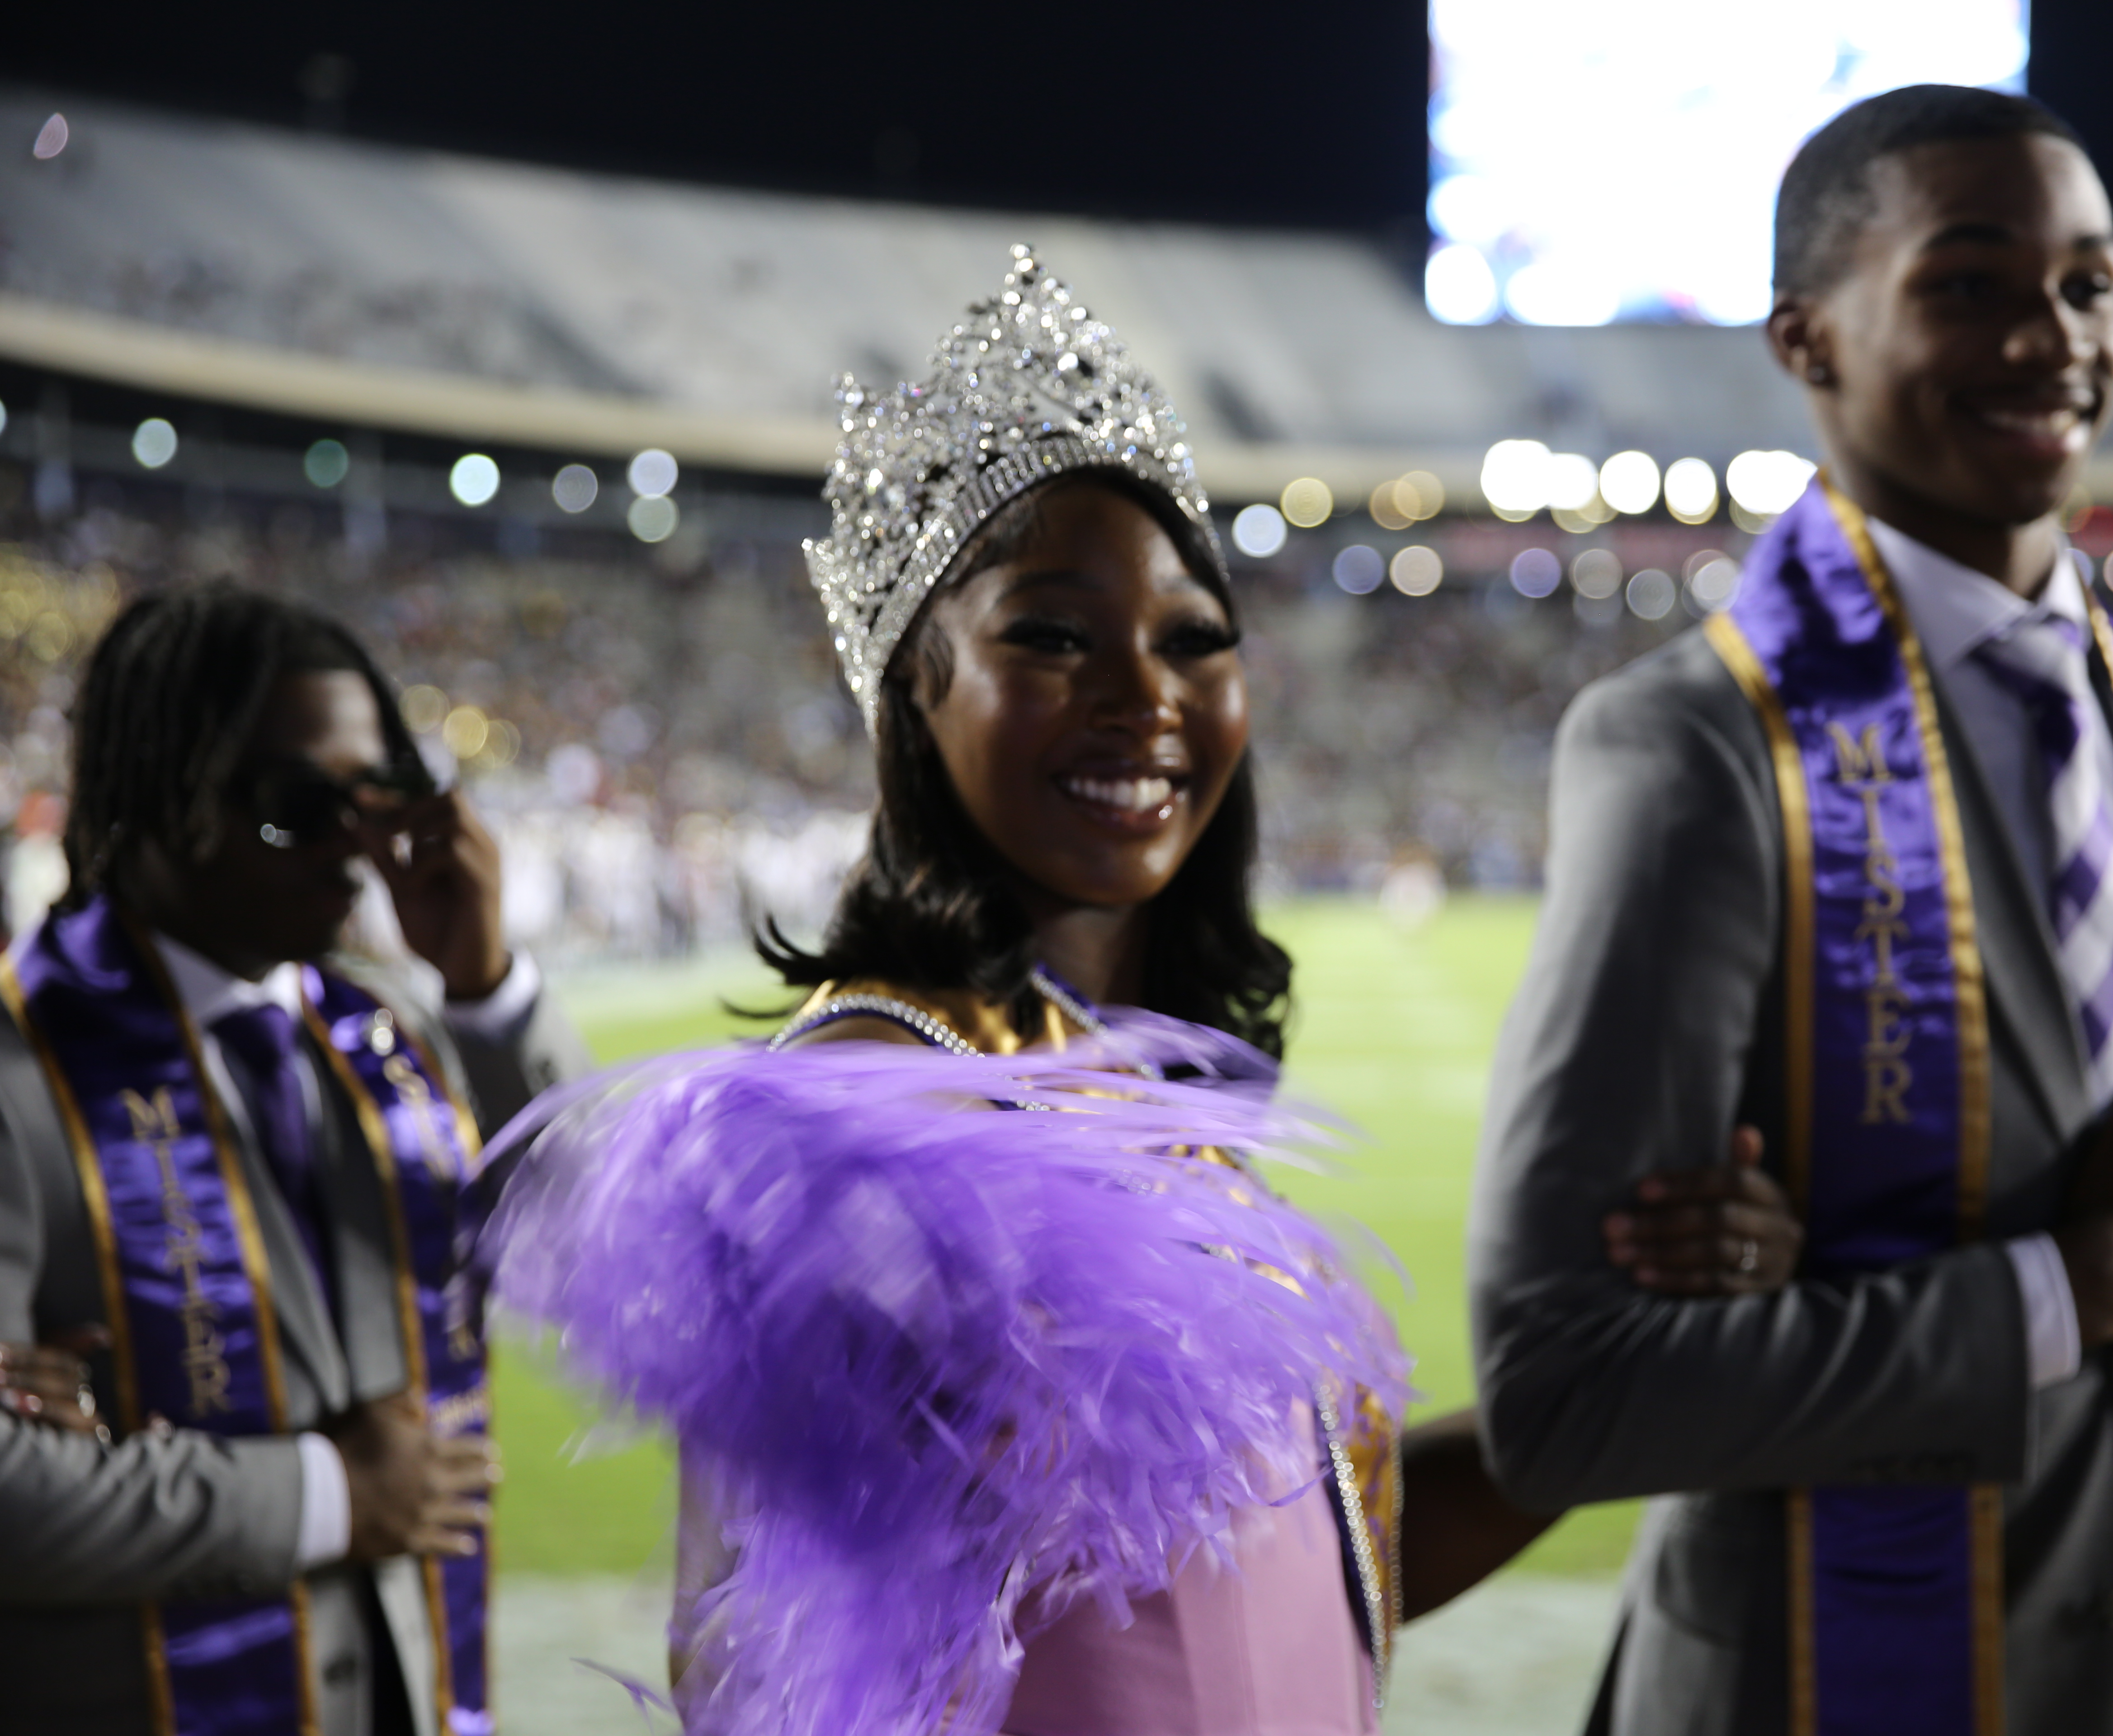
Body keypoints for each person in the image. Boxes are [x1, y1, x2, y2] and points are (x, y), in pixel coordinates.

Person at [480, 248, 1804, 1736]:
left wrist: (1650, 1329)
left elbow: (1334, 1568)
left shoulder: (1132, 1083)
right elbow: (769, 1673)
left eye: (1195, 641)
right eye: (1050, 636)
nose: (1144, 693)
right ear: (920, 684)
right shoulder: (867, 1114)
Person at [1468, 86, 2113, 1736]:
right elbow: (1567, 1391)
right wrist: (2070, 1292)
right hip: (1817, 1685)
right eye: (1970, 283)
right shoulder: (1693, 749)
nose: (2054, 339)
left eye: (2089, 286)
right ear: (1807, 338)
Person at [0, 585, 591, 1736]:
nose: (352, 848)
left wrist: (487, 988)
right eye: (294, 806)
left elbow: (605, 1254)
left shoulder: (401, 1036)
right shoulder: (20, 1068)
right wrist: (325, 1497)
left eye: (374, 800)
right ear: (158, 794)